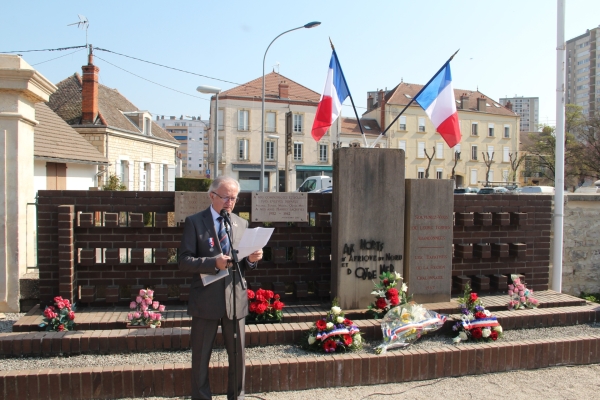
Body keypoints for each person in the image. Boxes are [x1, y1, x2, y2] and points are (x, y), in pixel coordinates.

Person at [179, 176, 263, 400]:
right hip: (205, 301)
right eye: (225, 197)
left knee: (238, 357)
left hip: (235, 299)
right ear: (212, 196)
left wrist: (253, 259)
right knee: (201, 358)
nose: (230, 202)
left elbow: (244, 264)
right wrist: (212, 263)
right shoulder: (195, 222)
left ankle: (237, 397)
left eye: (234, 198)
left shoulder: (240, 223)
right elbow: (184, 261)